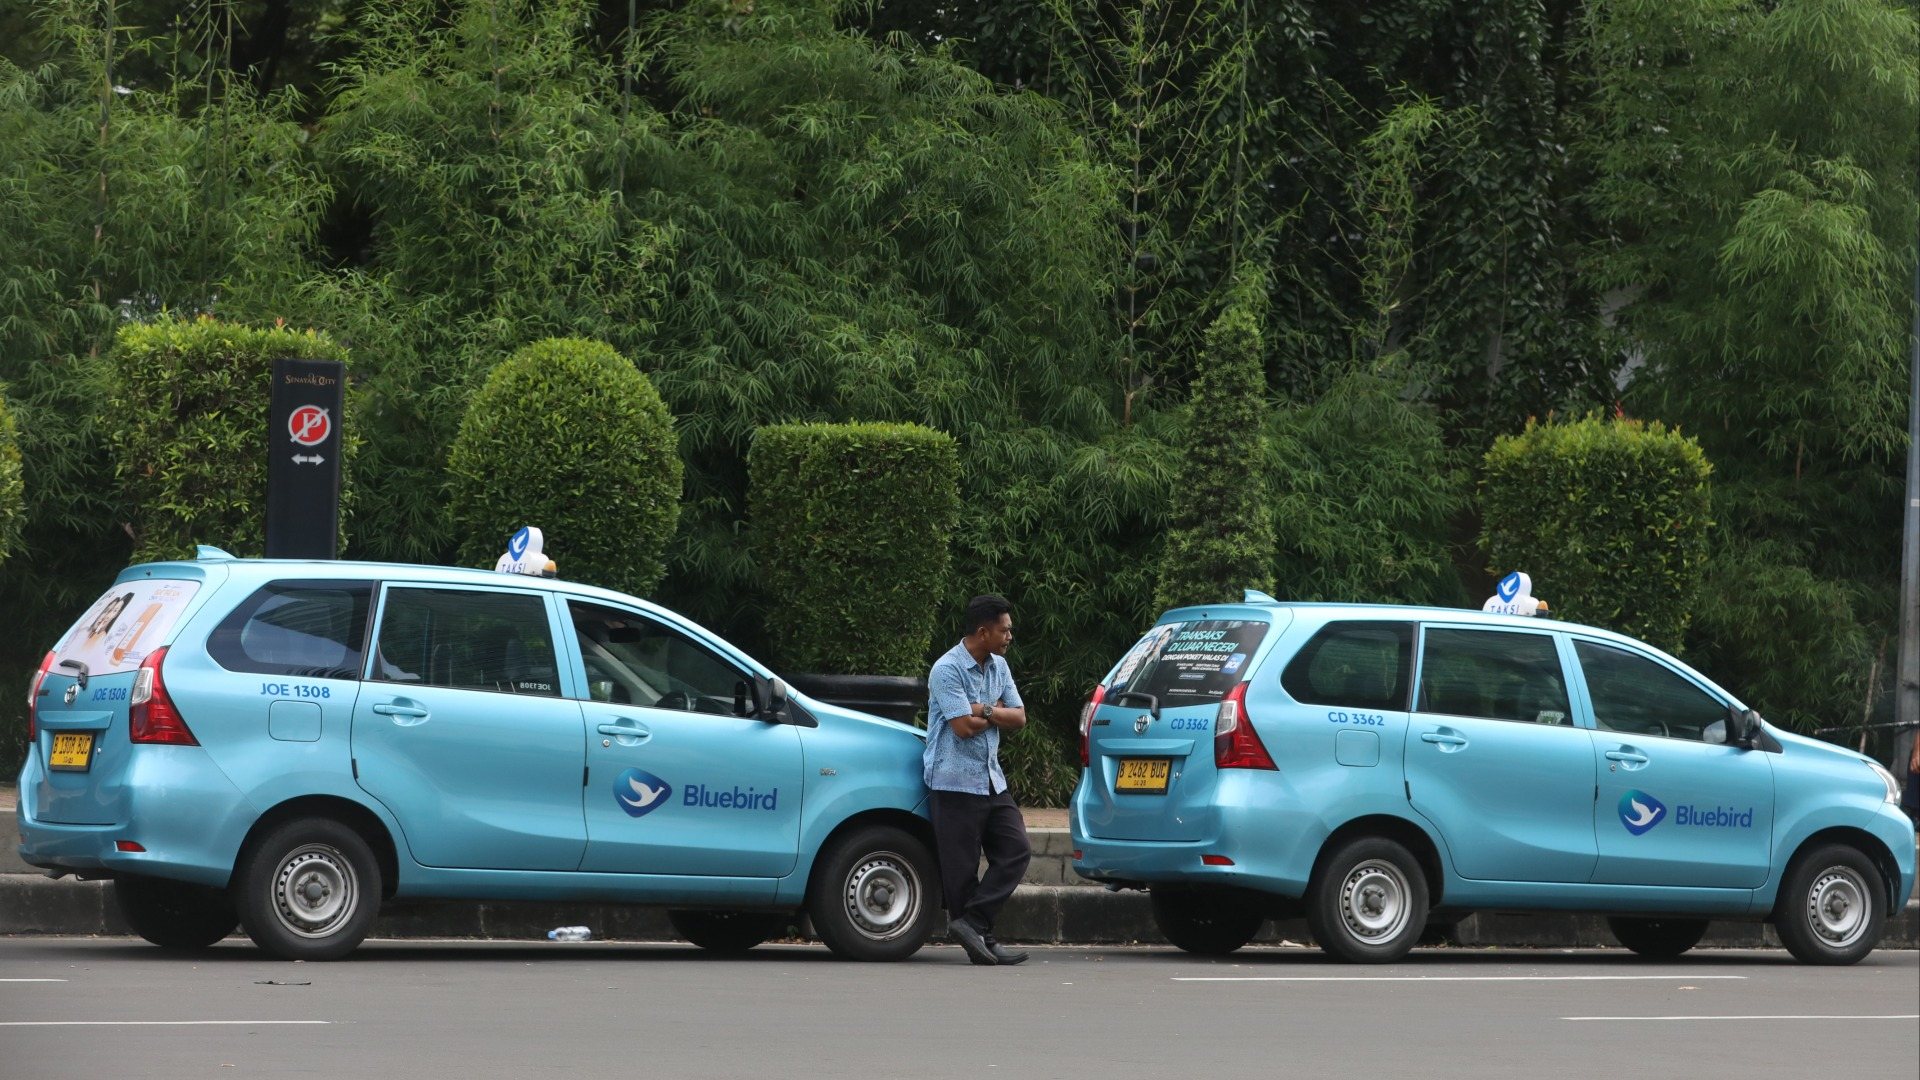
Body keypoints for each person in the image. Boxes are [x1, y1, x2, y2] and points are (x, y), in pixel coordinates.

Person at [924, 594, 1032, 966]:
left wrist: (983, 708)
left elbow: (1019, 717)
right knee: (962, 871)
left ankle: (973, 923)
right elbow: (963, 728)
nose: (1009, 637)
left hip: (990, 779)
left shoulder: (999, 667)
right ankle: (983, 940)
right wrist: (993, 713)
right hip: (953, 781)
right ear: (983, 632)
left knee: (1016, 849)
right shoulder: (947, 669)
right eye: (1004, 630)